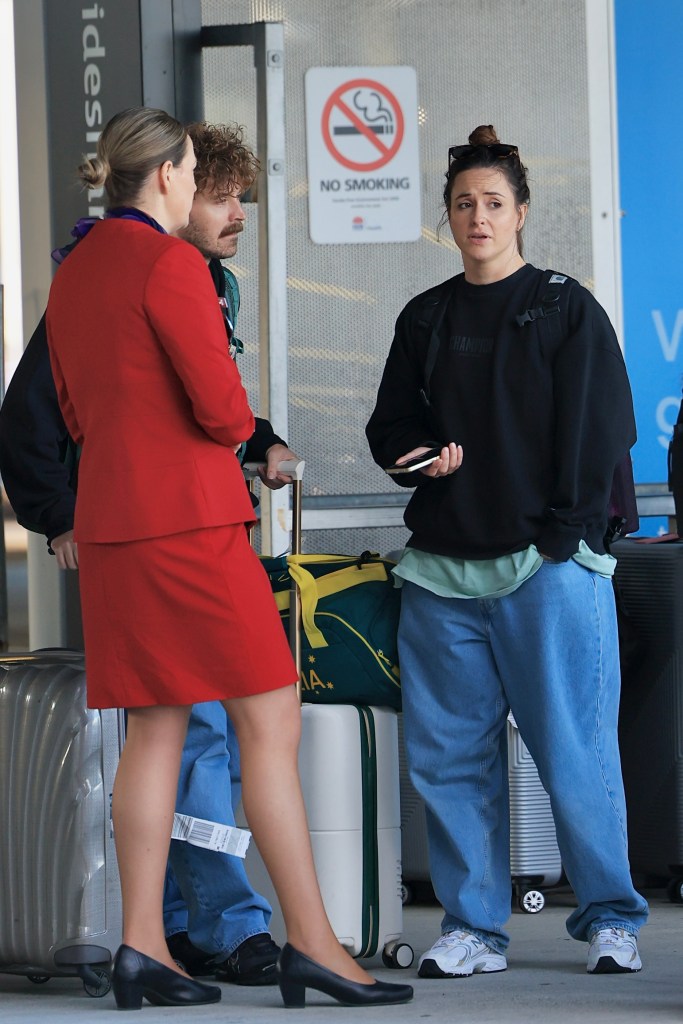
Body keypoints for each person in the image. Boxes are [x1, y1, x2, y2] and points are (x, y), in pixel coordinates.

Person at [44, 106, 412, 1011]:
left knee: (155, 731)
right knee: (270, 720)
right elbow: (221, 412)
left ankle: (142, 948)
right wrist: (243, 432)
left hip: (115, 526)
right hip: (192, 528)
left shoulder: (77, 268)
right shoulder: (171, 264)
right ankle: (315, 946)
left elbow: (71, 406)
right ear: (171, 171)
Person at [0, 121, 295, 987]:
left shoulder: (143, 273)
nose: (233, 211)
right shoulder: (155, 270)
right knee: (205, 734)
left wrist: (255, 438)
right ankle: (224, 924)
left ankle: (166, 932)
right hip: (167, 536)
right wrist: (58, 515)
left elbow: (159, 406)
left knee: (175, 735)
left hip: (144, 526)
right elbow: (40, 412)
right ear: (170, 183)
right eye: (217, 191)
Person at [366, 124, 648, 979]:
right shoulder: (426, 315)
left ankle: (609, 916)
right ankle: (473, 927)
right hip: (443, 573)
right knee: (449, 761)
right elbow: (391, 427)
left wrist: (561, 539)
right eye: (462, 205)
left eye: (493, 203)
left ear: (521, 213)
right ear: (445, 219)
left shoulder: (564, 307)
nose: (477, 217)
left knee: (573, 751)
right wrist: (417, 457)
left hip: (546, 567)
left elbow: (601, 432)